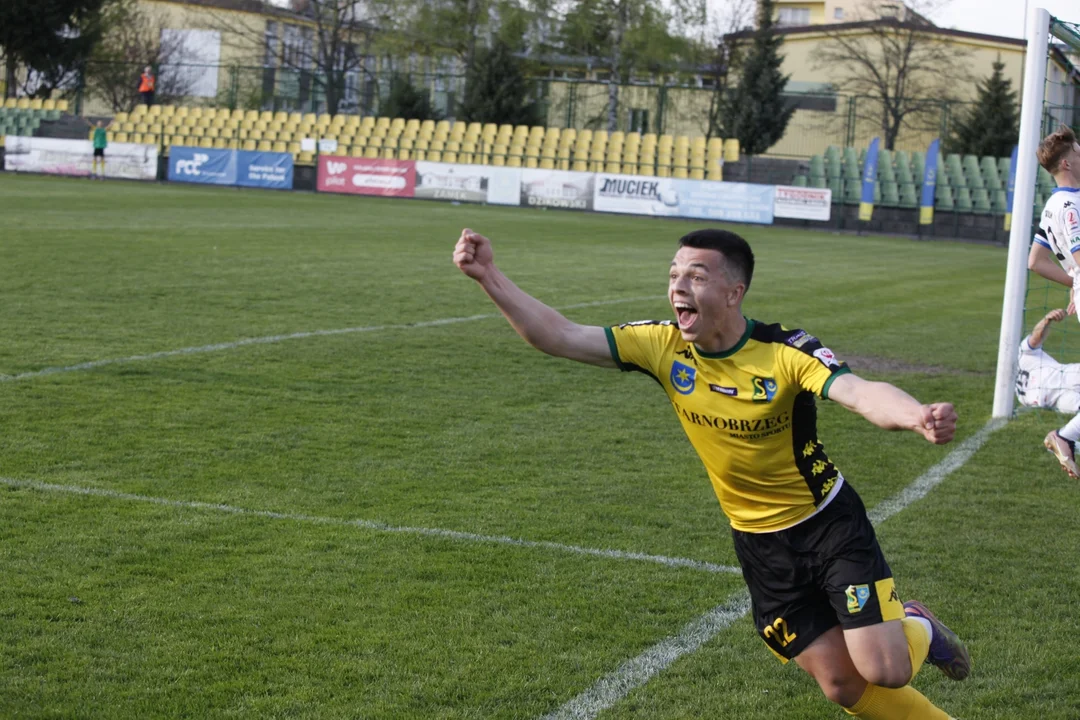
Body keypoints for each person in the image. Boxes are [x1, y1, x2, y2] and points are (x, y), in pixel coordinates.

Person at [453, 227, 969, 720]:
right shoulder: (662, 347)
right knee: (841, 685)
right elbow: (559, 335)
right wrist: (489, 277)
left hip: (828, 526)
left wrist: (914, 415)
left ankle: (917, 623)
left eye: (697, 275)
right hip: (759, 544)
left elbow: (858, 392)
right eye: (674, 273)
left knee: (886, 669)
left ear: (733, 291)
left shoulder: (783, 352)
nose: (679, 285)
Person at [1016, 307, 1080, 478]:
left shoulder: (1019, 394)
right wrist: (1046, 319)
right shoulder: (1023, 353)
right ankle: (1064, 438)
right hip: (1066, 378)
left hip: (1060, 400)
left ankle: (1066, 441)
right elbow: (1035, 338)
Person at [1027, 125, 1080, 312]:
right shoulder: (1070, 207)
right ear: (1067, 164)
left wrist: (1075, 283)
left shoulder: (1052, 205)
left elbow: (1036, 261)